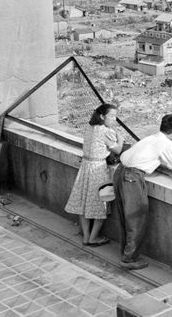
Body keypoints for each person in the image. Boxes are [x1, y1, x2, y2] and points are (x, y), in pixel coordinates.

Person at [113, 114, 172, 270]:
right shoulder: (166, 143)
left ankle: (126, 252)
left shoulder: (150, 138)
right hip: (132, 177)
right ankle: (129, 258)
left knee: (125, 216)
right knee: (136, 218)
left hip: (120, 172)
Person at [65, 103, 124, 246]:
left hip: (85, 167)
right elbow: (117, 150)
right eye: (112, 116)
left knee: (83, 203)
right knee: (102, 204)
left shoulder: (90, 128)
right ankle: (93, 237)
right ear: (103, 116)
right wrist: (121, 140)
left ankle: (86, 237)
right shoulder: (106, 131)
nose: (114, 119)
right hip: (98, 169)